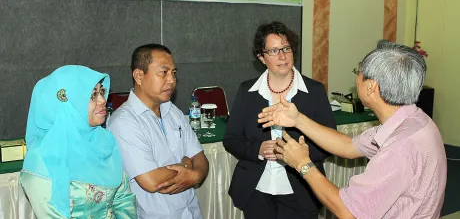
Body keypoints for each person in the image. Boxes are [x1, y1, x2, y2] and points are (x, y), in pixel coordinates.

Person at [259, 40, 447, 218]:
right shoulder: (413, 120)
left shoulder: (399, 148)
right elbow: (348, 146)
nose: (356, 79)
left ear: (371, 86)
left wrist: (303, 164)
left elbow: (349, 212)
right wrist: (298, 119)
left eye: (359, 71)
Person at [223, 21, 336, 219]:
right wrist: (257, 150)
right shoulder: (247, 91)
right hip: (256, 189)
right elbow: (231, 139)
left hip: (302, 188)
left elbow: (330, 142)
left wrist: (300, 154)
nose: (282, 56)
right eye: (274, 51)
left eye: (286, 48)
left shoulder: (314, 91)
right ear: (261, 58)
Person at [20, 65, 137, 218]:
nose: (102, 100)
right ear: (66, 104)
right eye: (92, 95)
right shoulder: (42, 161)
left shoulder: (104, 142)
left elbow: (123, 199)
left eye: (101, 92)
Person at [108, 44, 209, 219]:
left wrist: (196, 175)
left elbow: (200, 158)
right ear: (139, 76)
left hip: (190, 213)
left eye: (174, 73)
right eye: (164, 72)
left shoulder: (173, 112)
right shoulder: (124, 121)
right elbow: (151, 180)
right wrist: (186, 165)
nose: (171, 80)